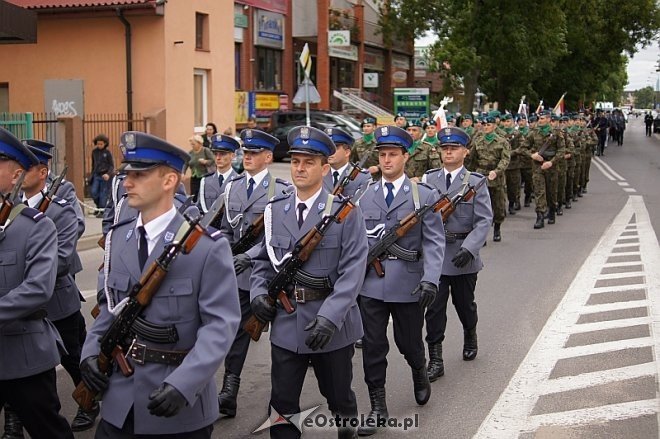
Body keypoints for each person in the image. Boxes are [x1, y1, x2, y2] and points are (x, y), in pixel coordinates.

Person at [80, 131, 241, 438]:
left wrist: (185, 384)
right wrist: (89, 353)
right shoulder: (118, 238)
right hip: (120, 401)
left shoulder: (206, 247)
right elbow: (108, 309)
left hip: (176, 401)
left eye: (139, 175)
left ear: (169, 181)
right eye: (127, 174)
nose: (127, 183)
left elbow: (220, 326)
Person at [250, 126, 368, 438]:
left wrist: (330, 317)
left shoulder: (344, 213)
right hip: (287, 323)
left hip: (331, 325)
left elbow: (353, 270)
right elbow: (264, 261)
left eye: (309, 162)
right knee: (282, 405)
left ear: (324, 168)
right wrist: (258, 294)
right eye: (296, 162)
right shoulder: (276, 210)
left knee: (339, 397)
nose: (300, 169)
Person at [356, 126, 444, 436]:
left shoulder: (423, 195)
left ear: (406, 157)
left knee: (408, 342)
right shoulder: (364, 193)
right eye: (382, 155)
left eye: (393, 154)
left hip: (408, 284)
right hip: (370, 284)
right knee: (373, 346)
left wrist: (431, 279)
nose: (387, 160)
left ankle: (419, 371)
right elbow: (354, 243)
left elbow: (434, 242)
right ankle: (377, 406)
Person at [0, 127, 74, 439]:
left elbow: (38, 288)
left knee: (49, 432)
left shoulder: (37, 227)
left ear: (17, 174)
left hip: (23, 353)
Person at [217, 129, 289, 418]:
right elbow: (224, 230)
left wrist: (249, 255)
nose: (247, 157)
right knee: (236, 333)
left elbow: (280, 234)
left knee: (280, 338)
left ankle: (281, 397)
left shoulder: (280, 190)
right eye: (245, 153)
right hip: (237, 276)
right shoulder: (232, 188)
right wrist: (225, 257)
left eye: (254, 153)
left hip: (268, 274)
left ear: (268, 157)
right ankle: (229, 390)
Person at [422, 127, 492, 380]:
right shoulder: (428, 180)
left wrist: (469, 248)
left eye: (454, 148)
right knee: (434, 309)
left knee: (464, 305)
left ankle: (470, 334)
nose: (448, 152)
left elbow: (484, 220)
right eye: (444, 148)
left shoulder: (476, 182)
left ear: (465, 152)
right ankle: (436, 359)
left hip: (463, 255)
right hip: (436, 256)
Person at [466, 116, 510, 241]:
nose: (486, 127)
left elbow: (505, 159)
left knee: (498, 206)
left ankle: (497, 227)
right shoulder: (478, 141)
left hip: (496, 177)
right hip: (481, 176)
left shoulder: (502, 142)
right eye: (484, 125)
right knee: (481, 206)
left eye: (488, 125)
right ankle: (482, 234)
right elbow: (472, 160)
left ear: (494, 126)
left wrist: (497, 171)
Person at [522, 110, 565, 229]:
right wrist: (532, 155)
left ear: (548, 119)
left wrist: (551, 162)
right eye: (539, 119)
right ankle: (540, 216)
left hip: (551, 166)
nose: (540, 121)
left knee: (551, 192)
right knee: (539, 191)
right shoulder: (533, 133)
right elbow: (523, 148)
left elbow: (562, 151)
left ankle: (552, 210)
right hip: (537, 166)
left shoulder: (556, 134)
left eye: (542, 119)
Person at [323, 127, 371, 197]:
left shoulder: (361, 177)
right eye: (328, 147)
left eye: (335, 148)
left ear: (347, 152)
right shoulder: (319, 174)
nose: (330, 152)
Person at [198, 134, 240, 214]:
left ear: (232, 156)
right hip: (209, 225)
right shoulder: (206, 181)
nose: (218, 158)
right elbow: (200, 208)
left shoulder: (240, 181)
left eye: (223, 154)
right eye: (215, 154)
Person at [183, 134, 214, 202]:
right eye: (191, 144)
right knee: (194, 195)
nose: (192, 146)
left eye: (193, 144)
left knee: (203, 194)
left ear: (199, 143)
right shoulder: (190, 153)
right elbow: (186, 163)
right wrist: (183, 173)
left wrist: (205, 162)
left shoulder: (205, 150)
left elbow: (213, 160)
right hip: (194, 177)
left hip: (204, 176)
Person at [90, 134, 114, 217]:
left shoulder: (107, 153)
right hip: (96, 175)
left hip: (105, 176)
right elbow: (93, 164)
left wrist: (108, 174)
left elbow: (111, 166)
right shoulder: (94, 152)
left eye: (101, 144)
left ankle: (102, 210)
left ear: (105, 144)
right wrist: (92, 174)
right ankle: (98, 207)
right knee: (94, 192)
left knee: (103, 194)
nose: (99, 145)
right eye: (98, 144)